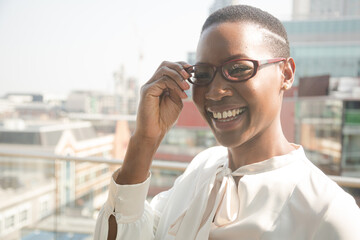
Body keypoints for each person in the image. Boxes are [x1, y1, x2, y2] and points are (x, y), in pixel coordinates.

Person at [94, 5, 360, 240]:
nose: (214, 91)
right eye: (203, 74)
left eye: (239, 69)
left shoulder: (330, 214)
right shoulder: (201, 167)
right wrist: (145, 140)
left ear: (286, 74)